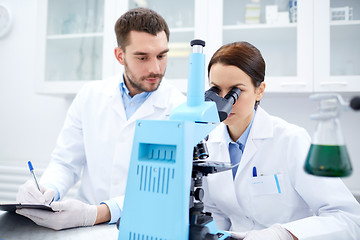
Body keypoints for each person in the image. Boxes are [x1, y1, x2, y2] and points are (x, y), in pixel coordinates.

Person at [15, 8, 185, 230]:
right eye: (142, 57)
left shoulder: (179, 109)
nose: (155, 68)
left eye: (162, 55)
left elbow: (165, 189)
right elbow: (66, 162)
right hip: (83, 227)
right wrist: (47, 189)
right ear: (119, 55)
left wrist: (96, 213)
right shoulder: (90, 95)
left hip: (142, 226)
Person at [202, 41, 360, 239]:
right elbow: (215, 214)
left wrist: (281, 235)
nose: (224, 101)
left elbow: (347, 218)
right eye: (216, 90)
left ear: (259, 91)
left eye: (236, 91)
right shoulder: (208, 144)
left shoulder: (291, 140)